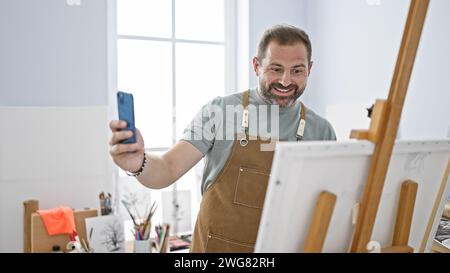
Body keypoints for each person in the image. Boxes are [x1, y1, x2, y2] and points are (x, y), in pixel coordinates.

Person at [109, 24, 336, 253]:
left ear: (310, 68)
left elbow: (330, 207)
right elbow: (167, 169)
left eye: (297, 70)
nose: (286, 81)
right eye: (275, 69)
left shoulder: (321, 131)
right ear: (257, 66)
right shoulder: (220, 111)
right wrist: (138, 163)